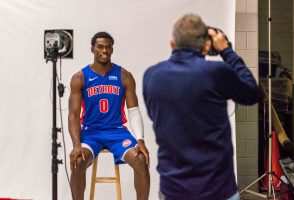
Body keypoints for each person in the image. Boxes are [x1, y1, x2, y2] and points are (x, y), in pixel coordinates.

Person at [143, 13, 259, 200]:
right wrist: (226, 50)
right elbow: (252, 93)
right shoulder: (217, 72)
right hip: (217, 190)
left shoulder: (151, 76)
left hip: (173, 190)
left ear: (172, 44)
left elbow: (154, 115)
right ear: (206, 46)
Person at [68, 31, 150, 200]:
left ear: (112, 50)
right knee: (77, 162)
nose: (104, 50)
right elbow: (74, 115)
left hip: (117, 132)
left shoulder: (124, 76)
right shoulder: (80, 77)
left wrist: (140, 140)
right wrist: (76, 144)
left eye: (108, 47)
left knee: (141, 159)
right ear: (92, 49)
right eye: (100, 46)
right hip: (91, 133)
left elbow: (133, 110)